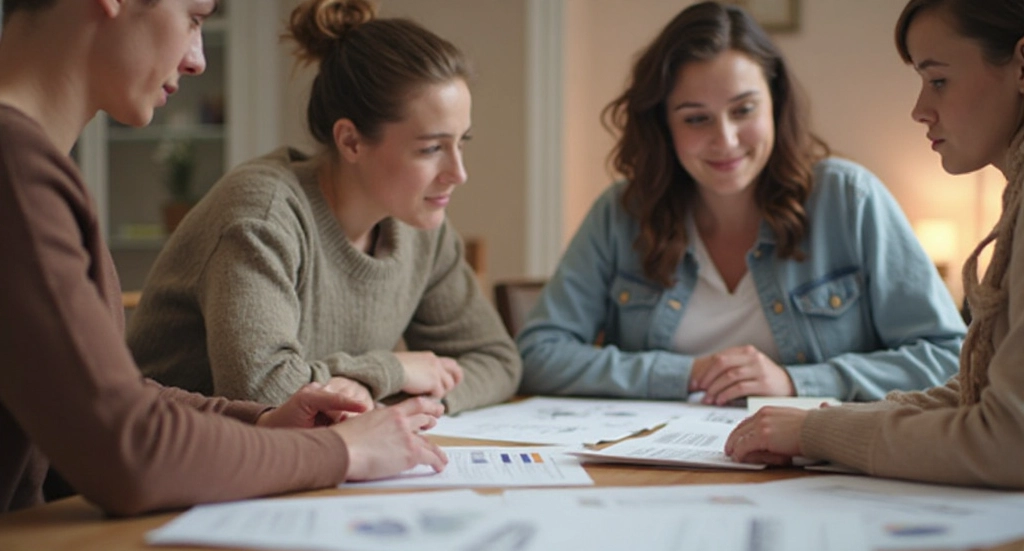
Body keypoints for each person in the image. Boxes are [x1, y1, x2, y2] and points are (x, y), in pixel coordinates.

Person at [0, 0, 449, 517]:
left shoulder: (37, 167)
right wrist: (344, 452)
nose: (197, 60)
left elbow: (104, 401)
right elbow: (131, 452)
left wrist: (261, 423)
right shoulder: (16, 170)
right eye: (193, 17)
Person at [517, 1, 966, 406]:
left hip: (817, 467)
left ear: (775, 102)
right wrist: (686, 374)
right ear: (663, 125)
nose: (725, 140)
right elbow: (538, 354)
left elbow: (949, 358)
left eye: (744, 110)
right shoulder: (620, 213)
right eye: (696, 118)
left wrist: (796, 382)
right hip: (654, 467)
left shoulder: (851, 199)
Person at [126, 0, 520, 415]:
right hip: (157, 465)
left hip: (288, 466)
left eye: (462, 143)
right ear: (351, 141)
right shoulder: (262, 214)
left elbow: (497, 360)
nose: (458, 173)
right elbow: (265, 395)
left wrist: (405, 403)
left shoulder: (420, 226)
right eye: (431, 149)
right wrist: (392, 371)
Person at [726, 0, 1024, 488]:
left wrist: (816, 429)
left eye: (939, 80)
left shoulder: (848, 194)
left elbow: (1008, 441)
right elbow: (978, 394)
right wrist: (826, 423)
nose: (919, 109)